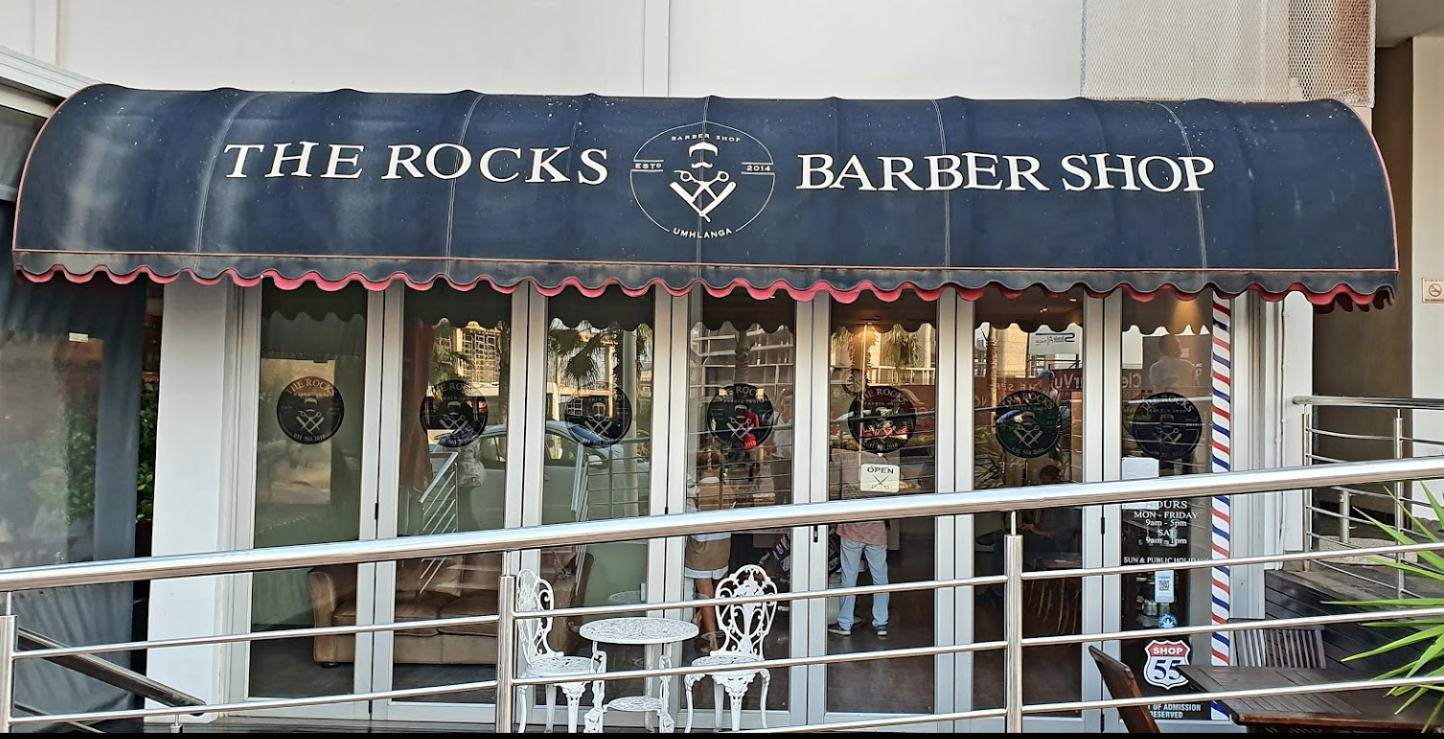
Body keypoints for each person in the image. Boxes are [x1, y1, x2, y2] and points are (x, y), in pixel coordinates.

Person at [827, 450, 890, 638]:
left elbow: (828, 455)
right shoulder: (881, 461)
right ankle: (881, 622)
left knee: (849, 576)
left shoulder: (846, 457)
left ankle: (845, 623)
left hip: (852, 527)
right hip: (876, 528)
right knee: (880, 576)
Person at [685, 445, 732, 655]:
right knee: (716, 590)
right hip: (722, 548)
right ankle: (698, 618)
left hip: (700, 551)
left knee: (705, 595)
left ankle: (712, 641)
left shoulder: (694, 492)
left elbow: (690, 524)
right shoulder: (728, 490)